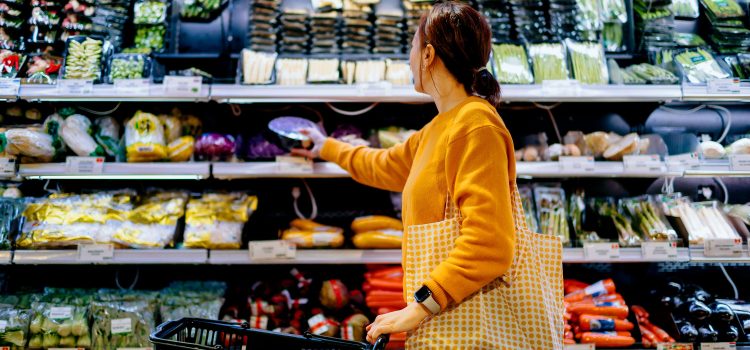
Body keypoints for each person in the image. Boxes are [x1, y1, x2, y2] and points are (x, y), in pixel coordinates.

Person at [294, 2, 560, 348]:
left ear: (428, 54)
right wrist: (325, 147)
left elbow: (491, 243)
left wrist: (419, 306)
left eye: (412, 45)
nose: (409, 57)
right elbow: (382, 165)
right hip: (448, 321)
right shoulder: (439, 128)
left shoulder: (476, 126)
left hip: (471, 330)